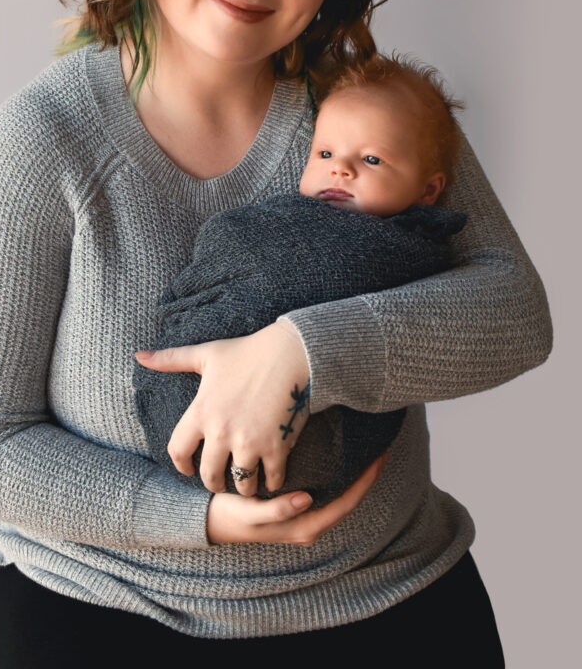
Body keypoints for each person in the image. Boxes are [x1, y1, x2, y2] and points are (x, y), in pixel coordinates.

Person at [0, 0, 552, 666]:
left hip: (384, 598)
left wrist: (297, 354)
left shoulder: (364, 115)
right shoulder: (48, 138)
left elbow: (515, 314)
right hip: (98, 611)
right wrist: (202, 521)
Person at [135, 55, 468, 506]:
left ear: (429, 191)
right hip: (191, 441)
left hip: (322, 461)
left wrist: (297, 345)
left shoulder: (406, 249)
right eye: (325, 154)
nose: (341, 169)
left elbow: (504, 303)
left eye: (371, 159)